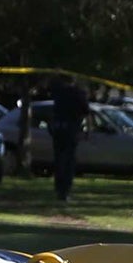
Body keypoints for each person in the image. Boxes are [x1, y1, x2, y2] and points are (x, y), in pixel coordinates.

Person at [47, 75, 88, 203]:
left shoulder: (58, 93)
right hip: (70, 130)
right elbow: (86, 113)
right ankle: (64, 191)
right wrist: (87, 131)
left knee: (59, 160)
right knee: (69, 161)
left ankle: (59, 189)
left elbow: (52, 113)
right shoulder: (78, 94)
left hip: (59, 129)